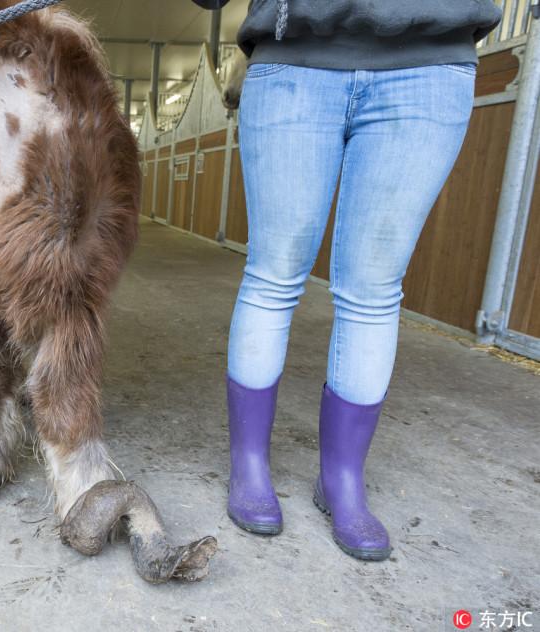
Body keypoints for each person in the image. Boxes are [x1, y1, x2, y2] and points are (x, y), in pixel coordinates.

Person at [209, 0, 502, 561]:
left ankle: (342, 479)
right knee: (272, 274)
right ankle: (249, 466)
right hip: (294, 59)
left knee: (374, 290)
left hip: (429, 62)